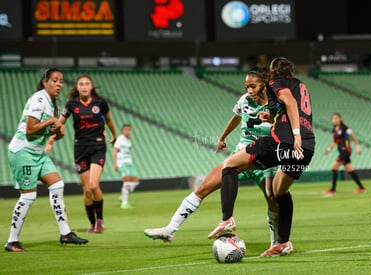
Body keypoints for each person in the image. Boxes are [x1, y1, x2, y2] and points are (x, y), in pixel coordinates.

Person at [144, 67, 279, 246]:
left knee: (273, 200)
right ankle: (170, 229)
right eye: (247, 87)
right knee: (203, 188)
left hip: (265, 160)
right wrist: (222, 138)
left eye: (253, 86)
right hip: (240, 155)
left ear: (264, 84)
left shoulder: (277, 104)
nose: (249, 91)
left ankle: (276, 243)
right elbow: (236, 118)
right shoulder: (244, 100)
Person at [208, 57, 315, 257]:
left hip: (283, 142)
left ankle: (227, 218)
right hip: (307, 148)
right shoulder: (301, 85)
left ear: (273, 73)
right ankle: (283, 242)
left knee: (229, 164)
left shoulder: (275, 82)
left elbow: (290, 103)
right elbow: (293, 107)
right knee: (279, 190)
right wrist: (272, 117)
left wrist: (296, 134)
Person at [4, 68, 88, 252]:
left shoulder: (51, 103)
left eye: (61, 81)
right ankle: (12, 241)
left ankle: (65, 233)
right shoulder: (39, 99)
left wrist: (57, 132)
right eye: (55, 80)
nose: (59, 84)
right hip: (23, 151)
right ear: (45, 82)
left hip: (38, 153)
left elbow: (49, 134)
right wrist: (52, 122)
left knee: (57, 186)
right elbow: (30, 130)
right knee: (28, 196)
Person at [48, 74, 117, 234]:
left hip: (98, 146)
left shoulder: (100, 103)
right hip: (80, 148)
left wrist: (115, 135)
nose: (84, 86)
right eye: (81, 84)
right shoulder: (72, 104)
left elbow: (109, 120)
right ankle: (92, 224)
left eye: (87, 83)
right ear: (77, 87)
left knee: (93, 185)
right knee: (86, 190)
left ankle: (100, 220)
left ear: (91, 86)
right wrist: (50, 140)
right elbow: (58, 123)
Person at [323, 113, 365, 195]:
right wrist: (328, 149)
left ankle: (333, 189)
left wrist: (358, 146)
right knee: (350, 169)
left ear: (340, 119)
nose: (334, 120)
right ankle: (361, 188)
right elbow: (334, 141)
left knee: (334, 167)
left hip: (346, 151)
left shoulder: (345, 128)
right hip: (341, 151)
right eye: (333, 118)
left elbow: (353, 136)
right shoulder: (334, 130)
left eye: (336, 118)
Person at [113, 124, 140, 209]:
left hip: (129, 163)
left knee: (136, 180)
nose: (127, 131)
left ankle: (123, 194)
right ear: (122, 131)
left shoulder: (128, 141)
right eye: (126, 130)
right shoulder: (120, 139)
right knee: (127, 180)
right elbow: (115, 151)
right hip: (122, 162)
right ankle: (124, 203)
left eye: (129, 130)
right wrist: (115, 163)